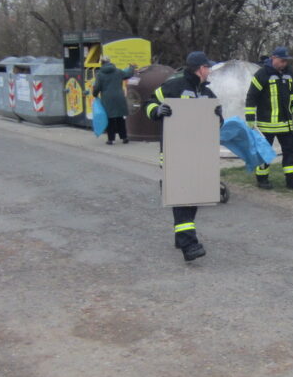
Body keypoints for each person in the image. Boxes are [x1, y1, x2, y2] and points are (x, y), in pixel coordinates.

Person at [145, 51, 222, 262]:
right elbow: (149, 103)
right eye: (208, 67)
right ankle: (189, 244)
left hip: (198, 154)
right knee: (181, 197)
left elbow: (219, 119)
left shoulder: (208, 93)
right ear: (200, 68)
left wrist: (217, 117)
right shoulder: (173, 87)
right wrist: (157, 110)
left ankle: (182, 237)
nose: (210, 71)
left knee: (193, 197)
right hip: (175, 152)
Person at [246, 46, 293, 190]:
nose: (284, 63)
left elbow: (292, 92)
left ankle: (292, 181)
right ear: (273, 58)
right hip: (267, 124)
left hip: (286, 123)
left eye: (286, 61)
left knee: (289, 152)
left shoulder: (289, 74)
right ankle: (262, 179)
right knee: (265, 152)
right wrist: (250, 117)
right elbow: (252, 96)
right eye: (282, 60)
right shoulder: (262, 74)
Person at [92, 58, 135, 145]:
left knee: (110, 119)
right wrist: (131, 67)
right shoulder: (118, 71)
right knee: (120, 118)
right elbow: (128, 74)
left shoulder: (100, 74)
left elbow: (97, 87)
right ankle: (124, 138)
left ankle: (111, 139)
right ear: (110, 62)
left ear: (102, 63)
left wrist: (95, 95)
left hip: (107, 98)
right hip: (119, 97)